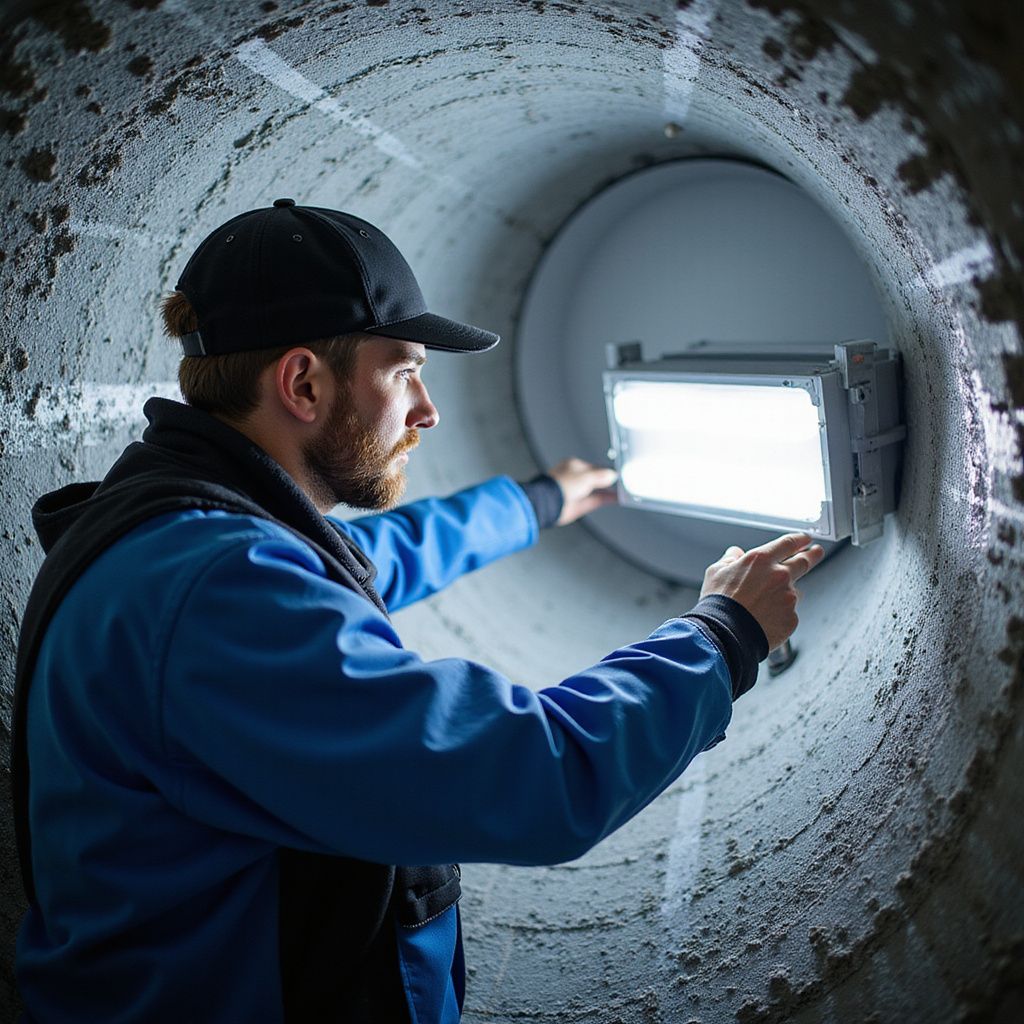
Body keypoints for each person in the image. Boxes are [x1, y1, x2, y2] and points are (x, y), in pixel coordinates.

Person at [11, 199, 824, 1023]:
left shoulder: (183, 535)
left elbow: (376, 560)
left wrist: (541, 501)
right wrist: (721, 635)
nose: (427, 410)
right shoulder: (217, 591)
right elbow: (528, 778)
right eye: (404, 371)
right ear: (303, 382)